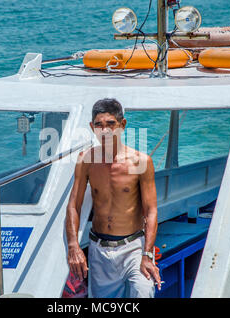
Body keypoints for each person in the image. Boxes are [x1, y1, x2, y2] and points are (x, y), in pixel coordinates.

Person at [65, 98, 161, 298]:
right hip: (99, 249)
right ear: (92, 127)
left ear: (122, 125)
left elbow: (151, 210)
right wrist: (74, 246)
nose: (105, 130)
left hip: (133, 247)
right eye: (99, 125)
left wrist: (147, 254)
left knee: (144, 291)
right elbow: (74, 204)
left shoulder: (141, 162)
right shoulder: (86, 160)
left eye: (111, 124)